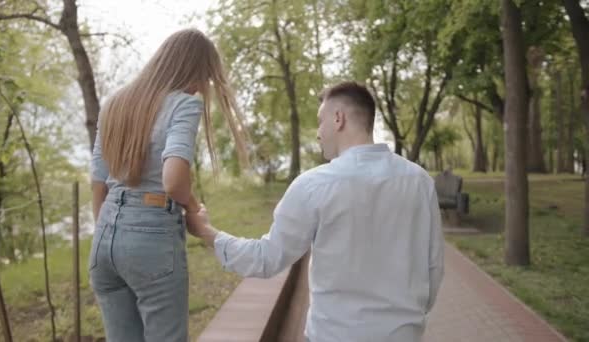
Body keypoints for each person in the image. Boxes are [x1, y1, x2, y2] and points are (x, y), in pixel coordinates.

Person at [186, 81, 445, 342]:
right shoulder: (420, 181)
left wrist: (206, 232)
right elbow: (433, 267)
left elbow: (266, 258)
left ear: (338, 118)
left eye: (320, 122)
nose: (318, 133)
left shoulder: (312, 185)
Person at [89, 28, 247, 342]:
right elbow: (173, 181)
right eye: (205, 78)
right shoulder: (182, 105)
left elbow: (97, 180)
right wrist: (194, 207)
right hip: (150, 239)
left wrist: (109, 236)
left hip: (104, 242)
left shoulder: (114, 104)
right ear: (193, 71)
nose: (202, 88)